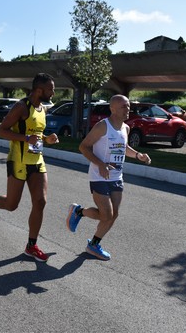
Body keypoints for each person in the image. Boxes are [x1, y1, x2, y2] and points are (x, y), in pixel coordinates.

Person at [0, 73, 59, 262]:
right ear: (39, 90)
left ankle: (31, 245)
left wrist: (47, 139)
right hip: (18, 161)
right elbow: (1, 131)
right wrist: (25, 138)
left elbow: (37, 136)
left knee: (40, 202)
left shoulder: (43, 109)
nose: (53, 93)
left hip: (37, 161)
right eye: (51, 89)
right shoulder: (21, 107)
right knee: (11, 205)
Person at [67, 94, 152, 261]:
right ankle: (79, 211)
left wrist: (138, 155)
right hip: (99, 176)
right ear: (112, 109)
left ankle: (94, 244)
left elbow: (124, 147)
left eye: (128, 106)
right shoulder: (102, 126)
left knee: (113, 215)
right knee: (106, 215)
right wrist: (100, 164)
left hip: (116, 177)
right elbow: (83, 147)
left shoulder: (125, 128)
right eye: (123, 106)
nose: (127, 109)